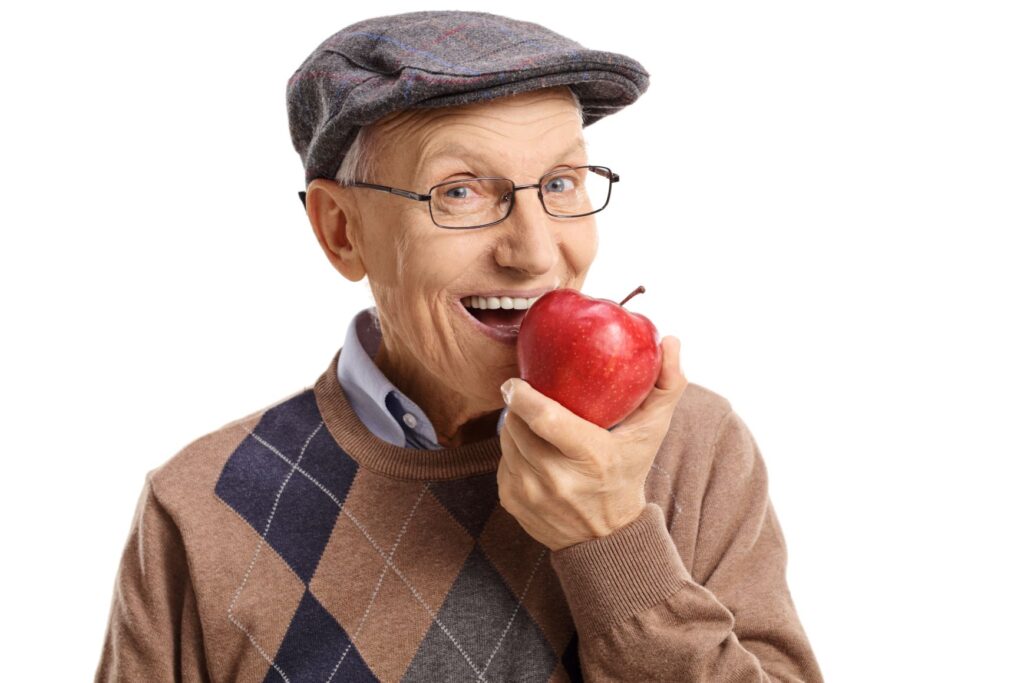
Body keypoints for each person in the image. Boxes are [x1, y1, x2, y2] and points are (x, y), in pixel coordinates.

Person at [95, 10, 824, 682]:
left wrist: (611, 540)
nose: (536, 252)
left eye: (563, 182)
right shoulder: (203, 503)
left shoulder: (692, 447)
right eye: (461, 192)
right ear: (341, 231)